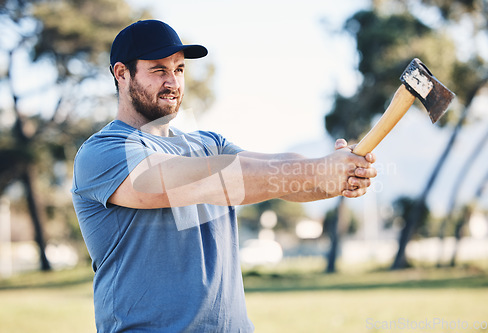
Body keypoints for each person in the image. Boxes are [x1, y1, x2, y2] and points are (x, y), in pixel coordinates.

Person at [71, 19, 377, 333]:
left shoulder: (208, 143)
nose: (174, 83)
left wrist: (334, 174)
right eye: (159, 70)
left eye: (179, 69)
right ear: (122, 73)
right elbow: (197, 182)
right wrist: (315, 169)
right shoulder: (104, 152)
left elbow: (276, 171)